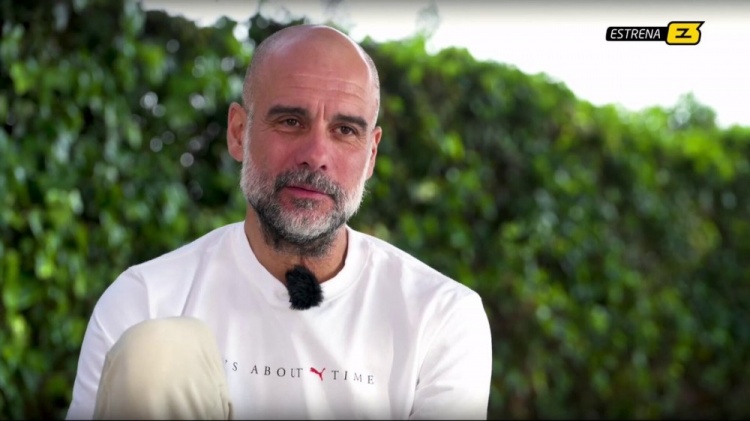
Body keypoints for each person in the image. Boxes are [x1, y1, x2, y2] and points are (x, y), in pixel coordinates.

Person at [66, 23, 493, 420]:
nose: (316, 155)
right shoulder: (145, 300)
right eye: (291, 121)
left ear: (371, 155)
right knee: (157, 354)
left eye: (345, 130)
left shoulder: (441, 316)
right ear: (239, 132)